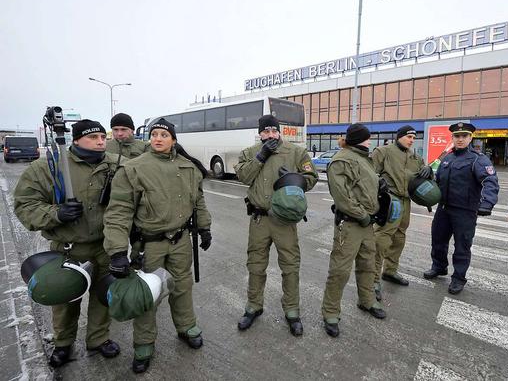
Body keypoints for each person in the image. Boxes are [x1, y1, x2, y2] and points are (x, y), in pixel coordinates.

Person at [103, 118, 212, 373]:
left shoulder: (188, 167)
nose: (158, 138)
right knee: (148, 295)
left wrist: (204, 228)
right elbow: (118, 212)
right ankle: (144, 344)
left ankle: (186, 326)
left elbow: (198, 202)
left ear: (173, 139)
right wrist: (118, 251)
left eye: (164, 134)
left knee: (182, 286)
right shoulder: (134, 169)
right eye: (154, 134)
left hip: (181, 241)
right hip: (149, 245)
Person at [14, 119, 121, 368]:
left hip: (106, 246)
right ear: (75, 140)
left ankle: (98, 338)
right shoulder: (49, 167)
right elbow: (25, 204)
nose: (100, 142)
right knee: (66, 300)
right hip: (69, 248)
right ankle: (63, 343)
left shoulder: (116, 165)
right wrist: (57, 213)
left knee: (103, 296)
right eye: (93, 138)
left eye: (102, 138)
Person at [234, 115, 317, 336]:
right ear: (260, 133)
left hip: (285, 220)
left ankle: (292, 311)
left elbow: (311, 176)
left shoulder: (295, 152)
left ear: (279, 131)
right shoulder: (250, 153)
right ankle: (253, 305)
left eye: (273, 130)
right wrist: (260, 157)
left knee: (290, 266)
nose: (270, 134)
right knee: (256, 264)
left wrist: (293, 178)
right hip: (259, 219)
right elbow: (242, 176)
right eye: (266, 131)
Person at [321, 123, 385, 338]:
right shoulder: (342, 160)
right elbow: (342, 197)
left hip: (367, 223)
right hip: (350, 223)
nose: (370, 141)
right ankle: (330, 313)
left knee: (368, 264)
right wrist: (364, 215)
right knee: (340, 270)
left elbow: (363, 188)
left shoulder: (363, 158)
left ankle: (367, 300)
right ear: (359, 139)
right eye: (367, 138)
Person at [423, 122, 499, 294]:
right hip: (444, 208)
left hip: (465, 210)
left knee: (462, 245)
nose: (460, 139)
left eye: (464, 136)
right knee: (438, 240)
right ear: (452, 138)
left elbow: (490, 182)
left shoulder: (478, 159)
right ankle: (439, 267)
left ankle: (458, 278)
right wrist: (427, 181)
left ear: (470, 138)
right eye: (457, 136)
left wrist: (487, 203)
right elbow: (437, 182)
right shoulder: (446, 158)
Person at [371, 125, 431, 300]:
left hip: (406, 201)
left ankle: (390, 271)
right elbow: (369, 172)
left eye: (414, 137)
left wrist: (429, 173)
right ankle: (373, 279)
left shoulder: (415, 157)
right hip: (389, 200)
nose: (412, 140)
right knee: (381, 238)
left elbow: (423, 178)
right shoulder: (383, 151)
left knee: (399, 237)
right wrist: (379, 181)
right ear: (399, 137)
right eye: (408, 137)